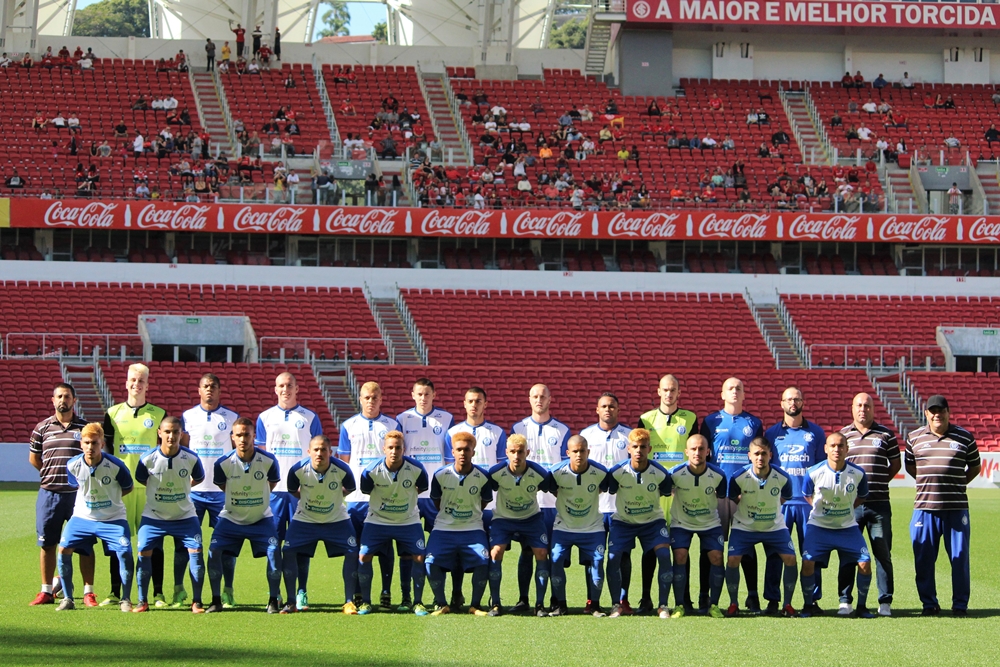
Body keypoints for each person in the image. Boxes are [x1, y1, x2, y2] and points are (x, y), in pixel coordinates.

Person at [905, 395, 980, 616]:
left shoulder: (965, 437)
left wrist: (957, 483)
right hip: (924, 508)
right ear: (926, 413)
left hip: (955, 509)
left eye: (941, 410)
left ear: (948, 412)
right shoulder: (914, 437)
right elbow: (911, 468)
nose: (937, 414)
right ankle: (929, 604)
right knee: (924, 559)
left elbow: (974, 468)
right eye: (932, 411)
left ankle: (959, 605)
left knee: (959, 559)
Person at [255, 372, 322, 611]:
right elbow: (260, 456)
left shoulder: (310, 417)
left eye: (289, 385)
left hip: (300, 492)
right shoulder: (264, 418)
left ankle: (301, 591)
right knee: (273, 544)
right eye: (281, 385)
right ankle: (274, 595)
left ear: (297, 388)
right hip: (273, 493)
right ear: (275, 389)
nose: (285, 389)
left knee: (301, 544)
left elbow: (317, 454)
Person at [101, 363, 166, 607]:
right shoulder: (112, 413)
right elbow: (106, 451)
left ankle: (157, 593)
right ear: (126, 382)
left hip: (150, 488)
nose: (136, 384)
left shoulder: (158, 414)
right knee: (119, 541)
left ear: (147, 385)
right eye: (132, 380)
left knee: (153, 542)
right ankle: (115, 591)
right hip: (122, 489)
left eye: (141, 381)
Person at [700, 377, 764, 613]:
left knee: (745, 547)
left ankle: (752, 596)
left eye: (739, 388)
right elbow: (704, 456)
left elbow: (758, 457)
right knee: (710, 547)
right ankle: (705, 596)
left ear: (744, 394)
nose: (735, 391)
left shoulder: (754, 423)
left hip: (743, 495)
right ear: (722, 394)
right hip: (716, 493)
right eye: (730, 388)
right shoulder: (710, 421)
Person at [56, 423, 135, 611]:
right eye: (87, 443)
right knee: (63, 549)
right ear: (81, 444)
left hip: (113, 518)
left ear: (102, 444)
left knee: (125, 552)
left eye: (95, 443)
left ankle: (125, 599)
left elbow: (128, 487)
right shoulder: (72, 464)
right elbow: (77, 486)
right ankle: (68, 599)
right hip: (83, 518)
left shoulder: (116, 465)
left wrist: (110, 500)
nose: (90, 447)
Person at [29, 383, 95, 607]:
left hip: (79, 496)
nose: (62, 400)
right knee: (47, 543)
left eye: (67, 396)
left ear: (74, 400)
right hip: (49, 494)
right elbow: (34, 459)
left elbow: (93, 456)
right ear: (53, 400)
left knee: (84, 544)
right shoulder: (42, 428)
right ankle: (46, 590)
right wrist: (51, 474)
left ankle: (89, 592)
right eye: (59, 396)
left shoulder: (85, 428)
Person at [762, 387, 827, 615]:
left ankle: (811, 600)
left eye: (797, 399)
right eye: (789, 399)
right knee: (775, 554)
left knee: (810, 554)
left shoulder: (816, 433)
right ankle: (772, 600)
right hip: (780, 504)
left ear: (803, 402)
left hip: (807, 504)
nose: (793, 403)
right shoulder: (770, 434)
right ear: (781, 403)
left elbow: (822, 468)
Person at [207, 417, 282, 613]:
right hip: (231, 518)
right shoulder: (222, 463)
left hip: (261, 519)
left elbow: (272, 484)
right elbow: (223, 486)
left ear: (254, 436)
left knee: (274, 551)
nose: (243, 439)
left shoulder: (269, 460)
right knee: (213, 551)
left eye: (246, 435)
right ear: (232, 437)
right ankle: (216, 600)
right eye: (238, 435)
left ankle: (273, 599)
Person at [132, 418, 206, 613]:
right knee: (143, 552)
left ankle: (197, 601)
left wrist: (182, 488)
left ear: (181, 434)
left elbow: (199, 477)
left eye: (175, 432)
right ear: (159, 433)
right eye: (167, 432)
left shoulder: (191, 457)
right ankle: (142, 601)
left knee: (196, 553)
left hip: (185, 516)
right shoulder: (147, 458)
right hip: (153, 517)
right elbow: (141, 478)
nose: (171, 436)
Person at [337, 381, 401, 609]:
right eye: (366, 397)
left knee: (385, 547)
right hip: (356, 500)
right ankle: (357, 592)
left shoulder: (393, 424)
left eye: (375, 397)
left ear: (381, 398)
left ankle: (385, 591)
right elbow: (344, 464)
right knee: (356, 547)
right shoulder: (348, 426)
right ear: (360, 399)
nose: (371, 401)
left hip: (384, 498)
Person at [179, 373, 239, 608]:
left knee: (225, 545)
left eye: (213, 386)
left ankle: (228, 590)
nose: (209, 390)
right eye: (205, 386)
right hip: (194, 491)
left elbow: (237, 453)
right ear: (199, 390)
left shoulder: (231, 417)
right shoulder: (188, 417)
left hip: (221, 492)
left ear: (219, 389)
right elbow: (182, 451)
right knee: (187, 543)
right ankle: (179, 590)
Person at [280, 435, 358, 614]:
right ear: (309, 452)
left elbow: (349, 488)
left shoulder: (342, 469)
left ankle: (349, 601)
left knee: (353, 552)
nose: (319, 453)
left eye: (324, 450)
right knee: (289, 551)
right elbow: (293, 490)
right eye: (316, 449)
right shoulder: (297, 470)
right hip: (305, 519)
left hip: (336, 519)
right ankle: (291, 601)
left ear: (331, 452)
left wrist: (333, 499)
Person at [799, 433, 874, 618]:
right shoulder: (814, 472)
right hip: (818, 527)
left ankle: (862, 607)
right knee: (808, 562)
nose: (836, 449)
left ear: (847, 449)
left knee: (865, 563)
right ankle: (808, 605)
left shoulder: (858, 473)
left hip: (847, 528)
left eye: (841, 446)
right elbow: (807, 495)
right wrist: (821, 511)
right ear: (825, 448)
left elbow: (862, 496)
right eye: (832, 446)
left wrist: (847, 508)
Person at [838, 393, 900, 617]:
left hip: (879, 505)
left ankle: (885, 601)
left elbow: (894, 464)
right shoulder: (843, 435)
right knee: (848, 553)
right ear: (852, 408)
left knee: (882, 553)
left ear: (874, 409)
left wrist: (877, 481)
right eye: (859, 405)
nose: (863, 409)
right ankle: (845, 600)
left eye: (867, 405)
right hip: (850, 506)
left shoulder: (886, 435)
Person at [510, 384, 569, 611]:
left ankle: (556, 600)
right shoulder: (518, 428)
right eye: (534, 396)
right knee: (526, 551)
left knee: (553, 553)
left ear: (550, 399)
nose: (538, 400)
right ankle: (523, 600)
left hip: (553, 505)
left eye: (542, 396)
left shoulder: (561, 430)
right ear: (529, 399)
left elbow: (564, 467)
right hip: (527, 502)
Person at [356, 431, 429, 615]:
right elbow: (366, 491)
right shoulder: (370, 471)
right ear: (384, 449)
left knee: (419, 557)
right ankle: (366, 602)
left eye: (398, 448)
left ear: (404, 449)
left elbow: (421, 488)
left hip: (408, 522)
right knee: (364, 556)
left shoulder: (417, 469)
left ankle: (415, 601)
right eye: (390, 447)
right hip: (377, 521)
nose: (394, 451)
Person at [396, 378, 453, 608]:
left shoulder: (447, 419)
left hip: (435, 493)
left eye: (427, 394)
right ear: (412, 395)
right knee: (407, 550)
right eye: (419, 394)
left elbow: (450, 458)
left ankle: (440, 597)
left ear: (434, 395)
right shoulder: (402, 419)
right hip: (410, 492)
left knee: (439, 545)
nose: (423, 397)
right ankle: (406, 596)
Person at [724, 438, 797, 617]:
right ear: (749, 456)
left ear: (770, 455)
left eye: (764, 453)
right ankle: (734, 603)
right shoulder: (738, 477)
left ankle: (787, 604)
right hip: (744, 526)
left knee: (790, 559)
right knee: (733, 560)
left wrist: (769, 507)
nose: (760, 457)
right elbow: (734, 496)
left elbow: (785, 496)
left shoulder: (782, 476)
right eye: (756, 454)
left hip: (774, 527)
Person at [606, 429, 673, 618]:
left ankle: (663, 605)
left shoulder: (660, 473)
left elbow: (666, 491)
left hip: (652, 522)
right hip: (623, 522)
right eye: (635, 447)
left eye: (643, 447)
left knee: (664, 555)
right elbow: (610, 490)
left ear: (649, 449)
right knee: (613, 557)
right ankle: (615, 605)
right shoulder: (617, 472)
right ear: (628, 448)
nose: (639, 450)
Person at [425, 431, 493, 616]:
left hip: (472, 528)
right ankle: (441, 603)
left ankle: (475, 605)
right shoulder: (440, 475)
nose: (463, 453)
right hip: (443, 528)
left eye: (467, 449)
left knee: (482, 560)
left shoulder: (483, 476)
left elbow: (484, 502)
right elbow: (437, 502)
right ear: (452, 452)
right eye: (459, 450)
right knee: (430, 561)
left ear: (473, 452)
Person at [486, 434, 552, 617]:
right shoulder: (495, 472)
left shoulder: (540, 473)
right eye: (513, 452)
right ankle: (496, 603)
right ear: (506, 452)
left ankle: (539, 604)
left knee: (541, 553)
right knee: (496, 552)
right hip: (503, 519)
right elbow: (487, 491)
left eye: (520, 452)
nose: (517, 456)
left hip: (531, 518)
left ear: (527, 452)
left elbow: (549, 488)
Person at [546, 435, 610, 616]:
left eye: (582, 451)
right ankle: (560, 604)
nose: (579, 454)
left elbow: (604, 487)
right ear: (568, 453)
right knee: (556, 560)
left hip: (592, 527)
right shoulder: (556, 472)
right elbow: (551, 488)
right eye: (575, 451)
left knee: (597, 562)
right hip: (564, 527)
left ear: (588, 451)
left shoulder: (600, 471)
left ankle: (595, 605)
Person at [580, 392, 632, 614]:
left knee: (622, 555)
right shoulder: (586, 435)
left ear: (618, 410)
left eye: (612, 406)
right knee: (593, 556)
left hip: (622, 507)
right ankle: (592, 599)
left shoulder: (629, 436)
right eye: (604, 406)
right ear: (597, 410)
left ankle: (623, 600)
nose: (608, 409)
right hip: (594, 507)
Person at [667, 434, 727, 618]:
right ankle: (679, 605)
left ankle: (714, 605)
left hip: (709, 522)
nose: (697, 452)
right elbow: (665, 491)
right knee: (680, 555)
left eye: (701, 449)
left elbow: (722, 495)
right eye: (693, 449)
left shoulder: (718, 475)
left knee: (716, 556)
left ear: (708, 451)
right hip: (681, 522)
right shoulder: (675, 474)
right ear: (686, 452)